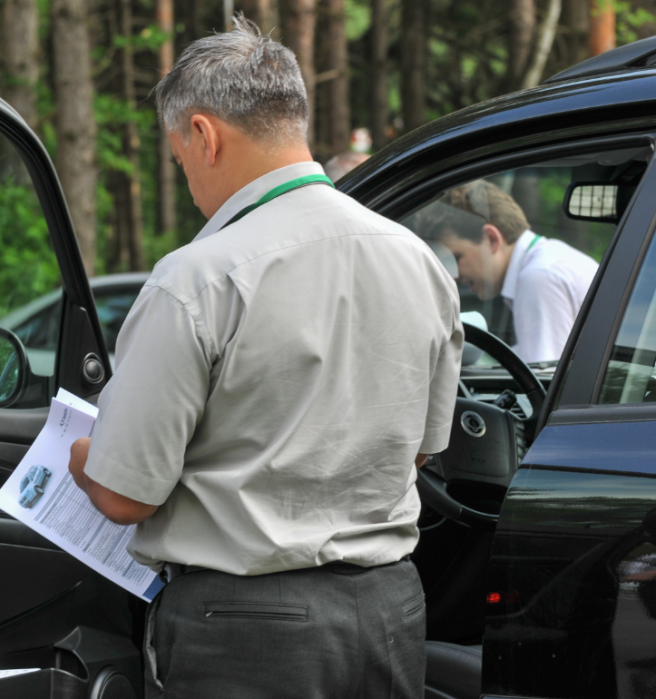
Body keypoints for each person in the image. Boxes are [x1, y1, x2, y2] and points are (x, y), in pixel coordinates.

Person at [67, 18, 462, 699]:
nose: (185, 174)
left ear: (204, 135)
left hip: (246, 631)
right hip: (389, 611)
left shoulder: (197, 279)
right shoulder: (419, 261)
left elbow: (124, 494)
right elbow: (421, 451)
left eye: (178, 156)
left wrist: (81, 455)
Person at [421, 180, 599, 363]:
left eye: (456, 258)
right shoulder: (549, 261)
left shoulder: (539, 278)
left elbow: (544, 380)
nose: (454, 276)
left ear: (491, 239)